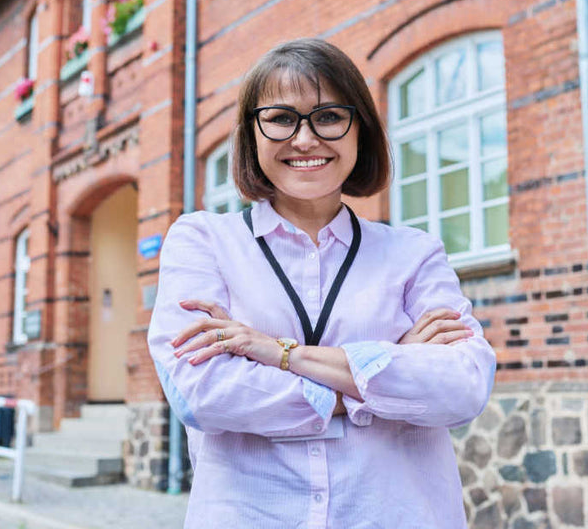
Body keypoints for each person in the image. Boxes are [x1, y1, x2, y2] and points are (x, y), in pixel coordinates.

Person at [147, 38, 496, 528]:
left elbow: (463, 387)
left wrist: (279, 353)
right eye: (281, 118)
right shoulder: (204, 241)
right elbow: (200, 392)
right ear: (252, 134)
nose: (306, 139)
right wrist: (381, 367)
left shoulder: (413, 254)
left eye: (329, 116)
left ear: (361, 131)